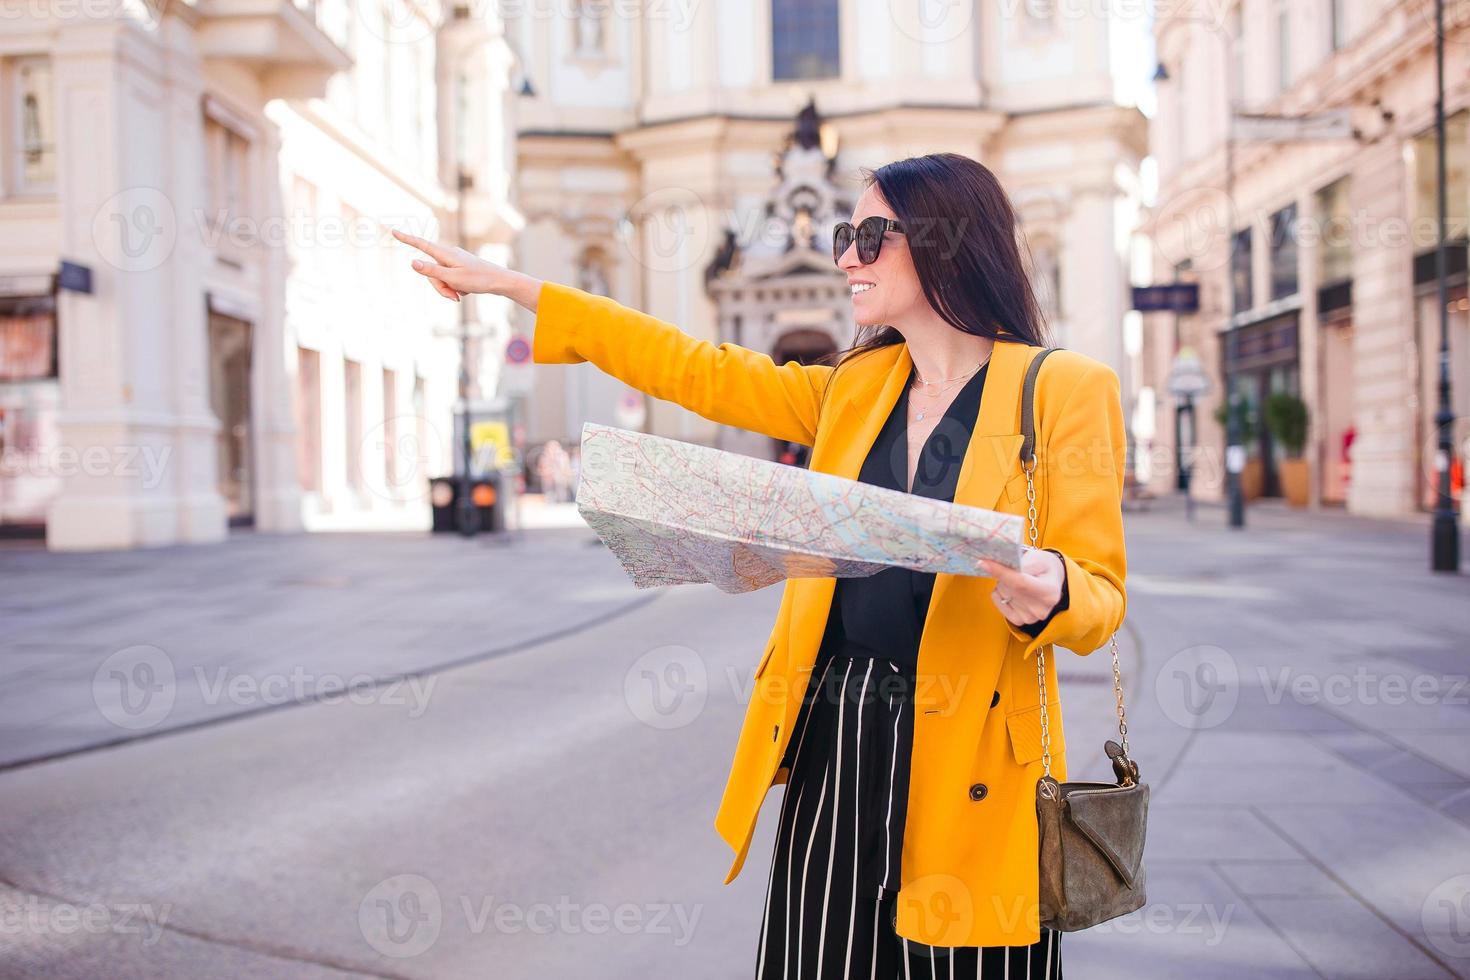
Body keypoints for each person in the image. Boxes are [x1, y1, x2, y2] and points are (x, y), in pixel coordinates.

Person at [393, 151, 1127, 979]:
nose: (848, 255)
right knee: (821, 959)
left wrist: (1054, 589)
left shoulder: (1063, 389)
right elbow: (690, 368)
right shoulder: (855, 386)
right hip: (836, 735)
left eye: (872, 235)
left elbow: (1101, 592)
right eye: (847, 233)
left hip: (975, 759)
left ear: (948, 242)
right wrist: (522, 290)